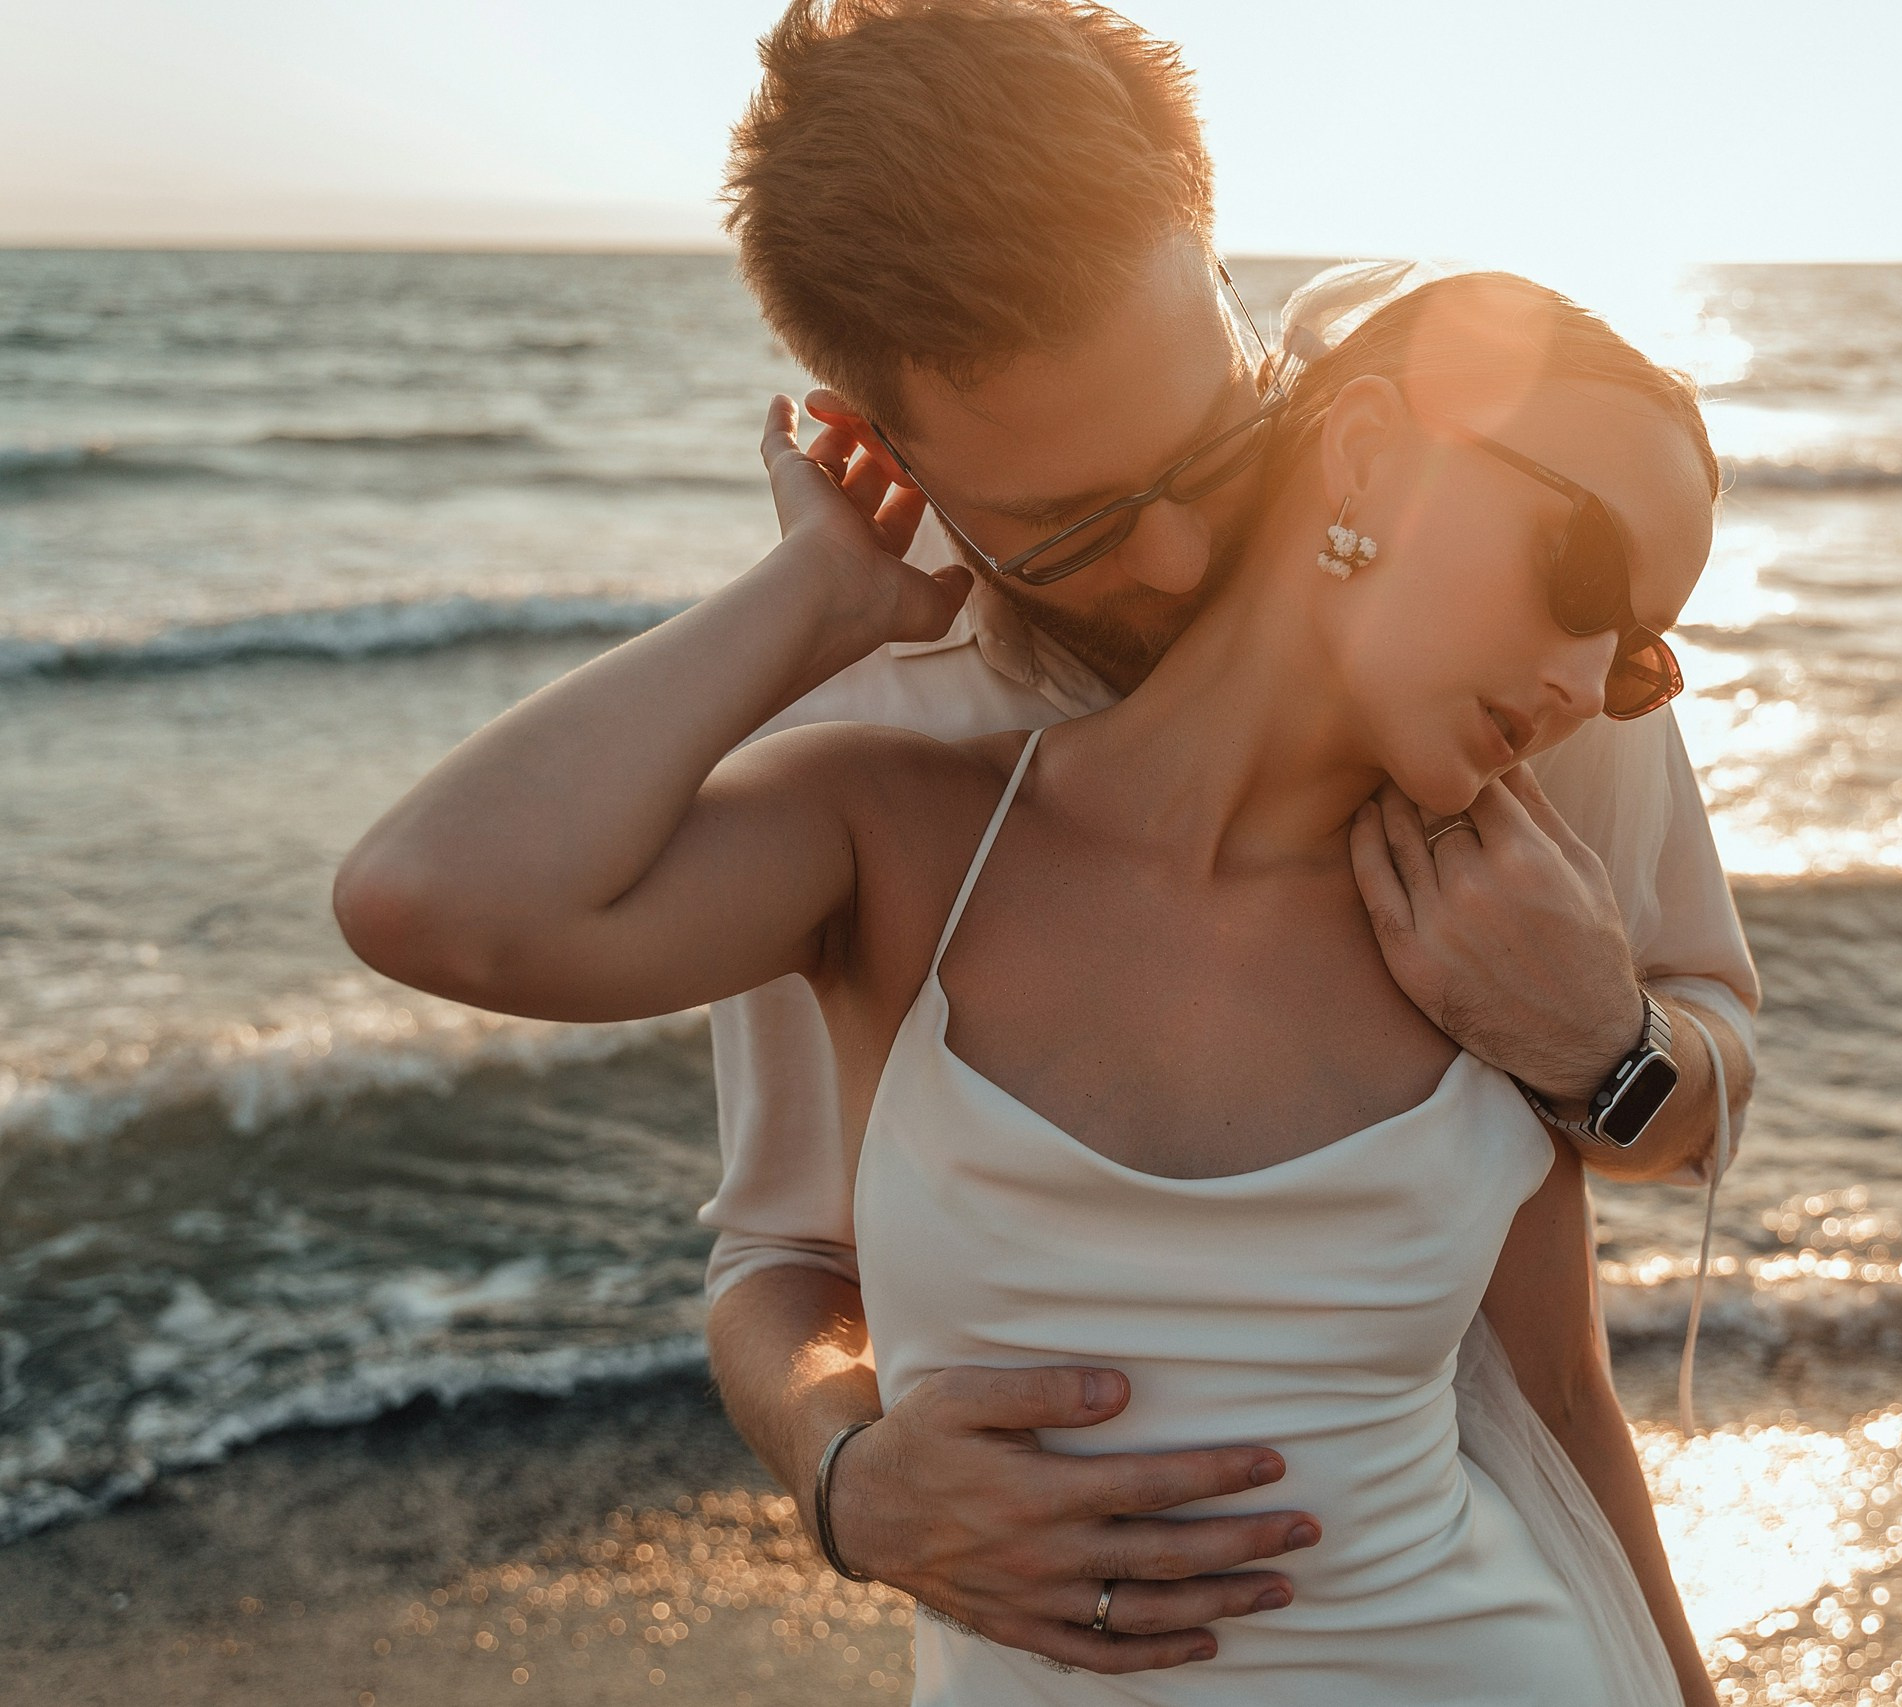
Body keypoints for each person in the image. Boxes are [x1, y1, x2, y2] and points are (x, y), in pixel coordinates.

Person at [334, 267, 1726, 1702]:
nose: (1576, 678)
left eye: (1632, 661)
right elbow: (434, 903)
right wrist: (812, 596)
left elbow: (1564, 1406)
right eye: (1575, 577)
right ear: (1368, 453)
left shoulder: (1489, 927)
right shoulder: (897, 835)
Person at [696, 0, 1760, 1675]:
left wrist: (1604, 1047)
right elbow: (783, 1254)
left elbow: (1690, 1100)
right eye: (1076, 522)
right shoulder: (861, 743)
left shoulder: (1492, 630)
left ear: (1207, 259)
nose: (1182, 555)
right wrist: (845, 1471)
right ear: (885, 456)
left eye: (1210, 439)